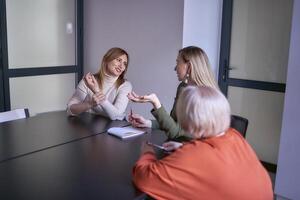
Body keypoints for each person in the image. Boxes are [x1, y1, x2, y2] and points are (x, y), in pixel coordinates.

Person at [132, 86, 273, 200]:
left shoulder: (193, 155)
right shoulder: (234, 135)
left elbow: (143, 179)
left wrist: (147, 151)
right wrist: (184, 146)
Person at [127, 46, 218, 140]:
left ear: (189, 66)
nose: (175, 68)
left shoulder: (202, 97)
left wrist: (155, 102)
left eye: (178, 62)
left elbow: (175, 132)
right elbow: (173, 123)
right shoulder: (183, 87)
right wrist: (147, 123)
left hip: (194, 151)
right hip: (179, 146)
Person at [67, 47, 132, 120]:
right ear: (107, 60)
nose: (121, 66)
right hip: (90, 126)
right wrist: (89, 104)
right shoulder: (89, 80)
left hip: (116, 127)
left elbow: (116, 116)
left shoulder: (126, 85)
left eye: (125, 64)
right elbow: (70, 109)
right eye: (118, 60)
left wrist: (96, 91)